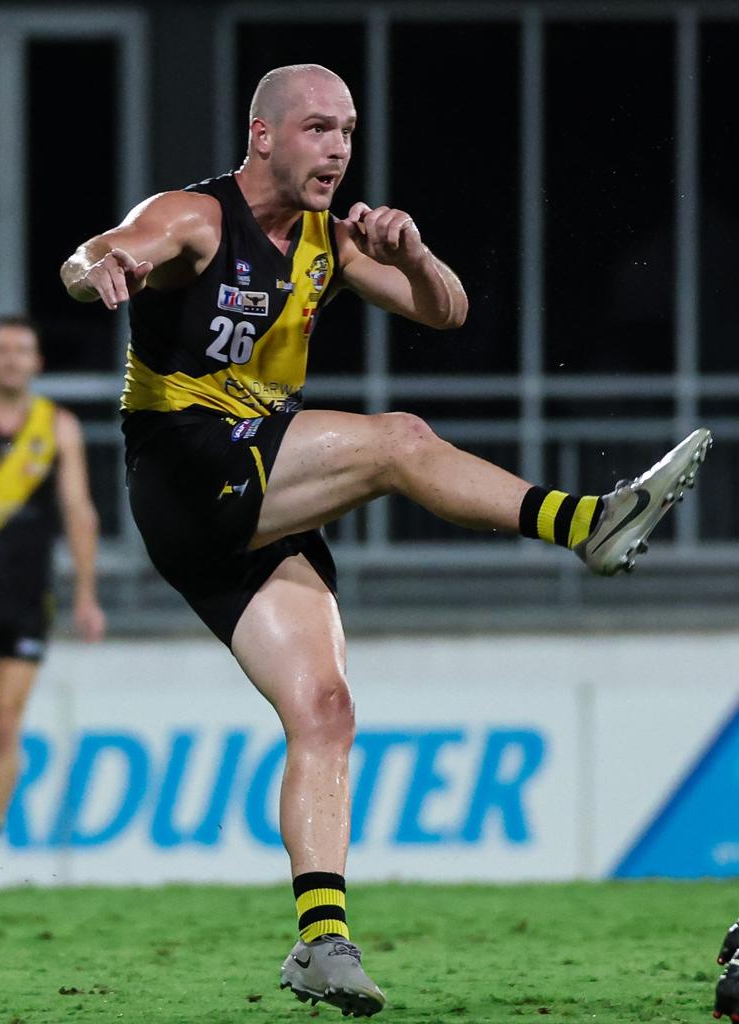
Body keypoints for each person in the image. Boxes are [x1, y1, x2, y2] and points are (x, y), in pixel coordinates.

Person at [61, 64, 710, 1019]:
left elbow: (445, 312)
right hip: (188, 468)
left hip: (259, 496)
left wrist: (411, 254)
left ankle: (321, 942)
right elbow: (100, 251)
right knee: (399, 441)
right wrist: (100, 268)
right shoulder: (198, 218)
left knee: (324, 709)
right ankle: (586, 524)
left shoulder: (329, 240)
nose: (338, 149)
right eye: (319, 128)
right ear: (264, 137)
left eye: (349, 132)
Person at [0, 316, 105, 892]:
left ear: (37, 363)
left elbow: (80, 512)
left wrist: (86, 593)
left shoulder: (59, 428)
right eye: (1, 350)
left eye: (21, 350)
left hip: (28, 595)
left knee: (6, 727)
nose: (10, 359)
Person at [715, 921, 739, 1019]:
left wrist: (723, 957)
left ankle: (719, 1009)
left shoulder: (735, 928)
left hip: (722, 988)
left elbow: (721, 960)